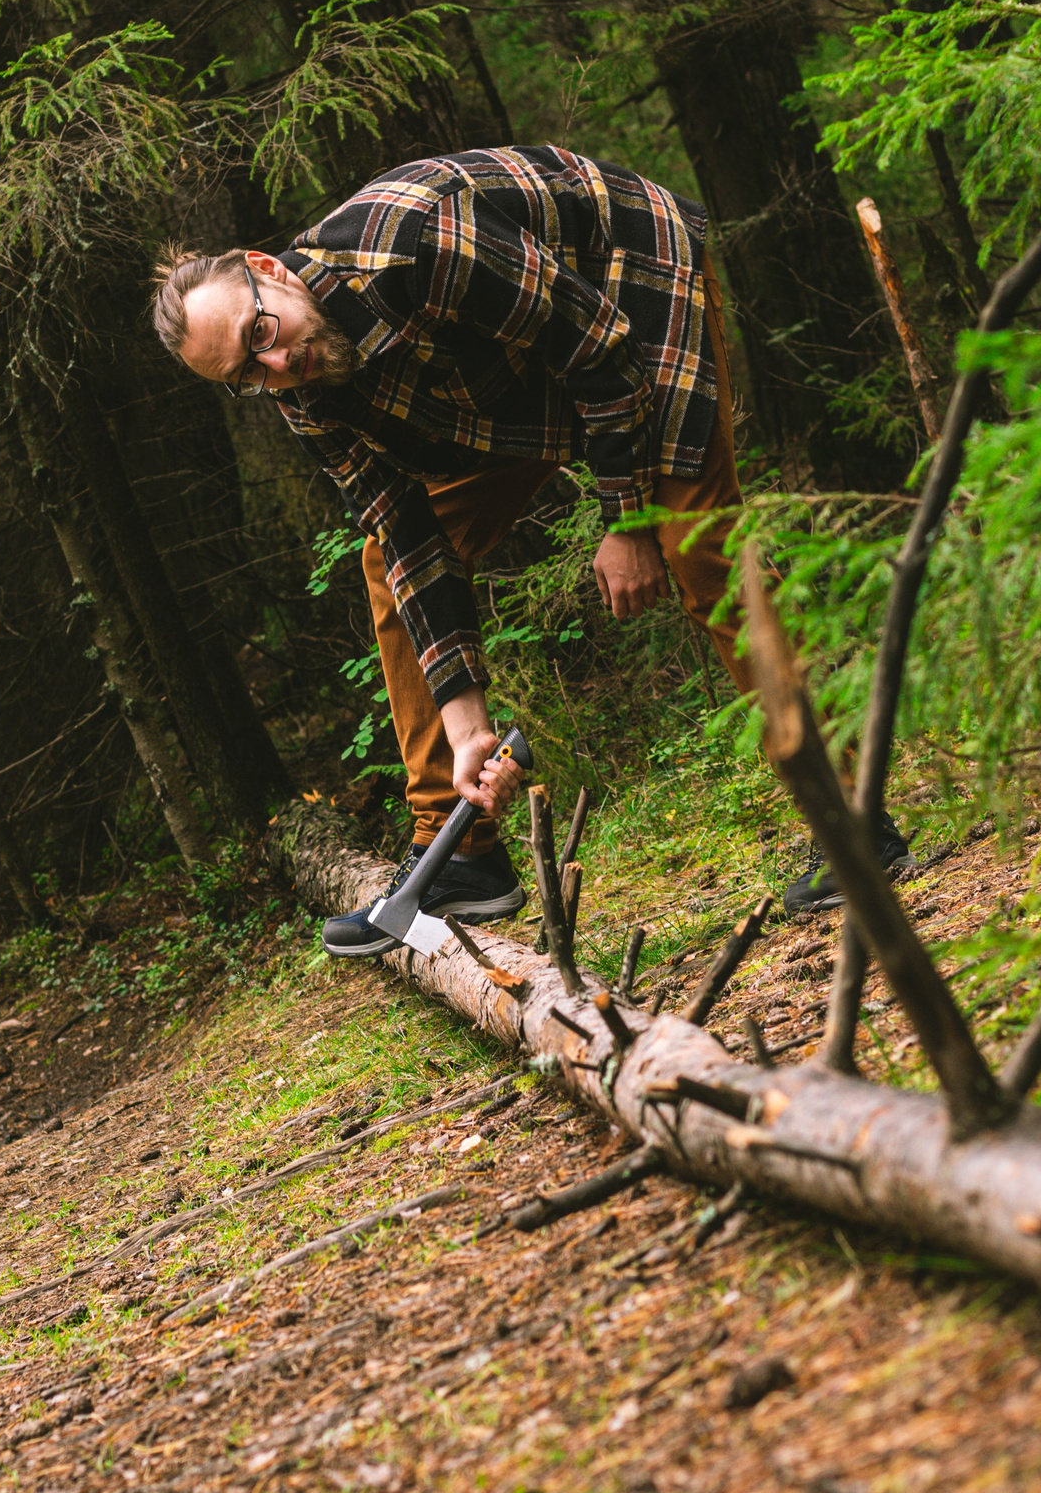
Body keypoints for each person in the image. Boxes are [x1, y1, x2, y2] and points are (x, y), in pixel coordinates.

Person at [149, 147, 902, 953]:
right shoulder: (297, 385)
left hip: (627, 292)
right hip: (509, 386)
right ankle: (462, 851)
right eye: (247, 374)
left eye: (261, 333)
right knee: (386, 566)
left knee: (700, 547)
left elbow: (598, 347)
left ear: (269, 270)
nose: (275, 363)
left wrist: (628, 520)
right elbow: (405, 529)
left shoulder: (415, 240)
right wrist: (466, 724)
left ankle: (852, 818)